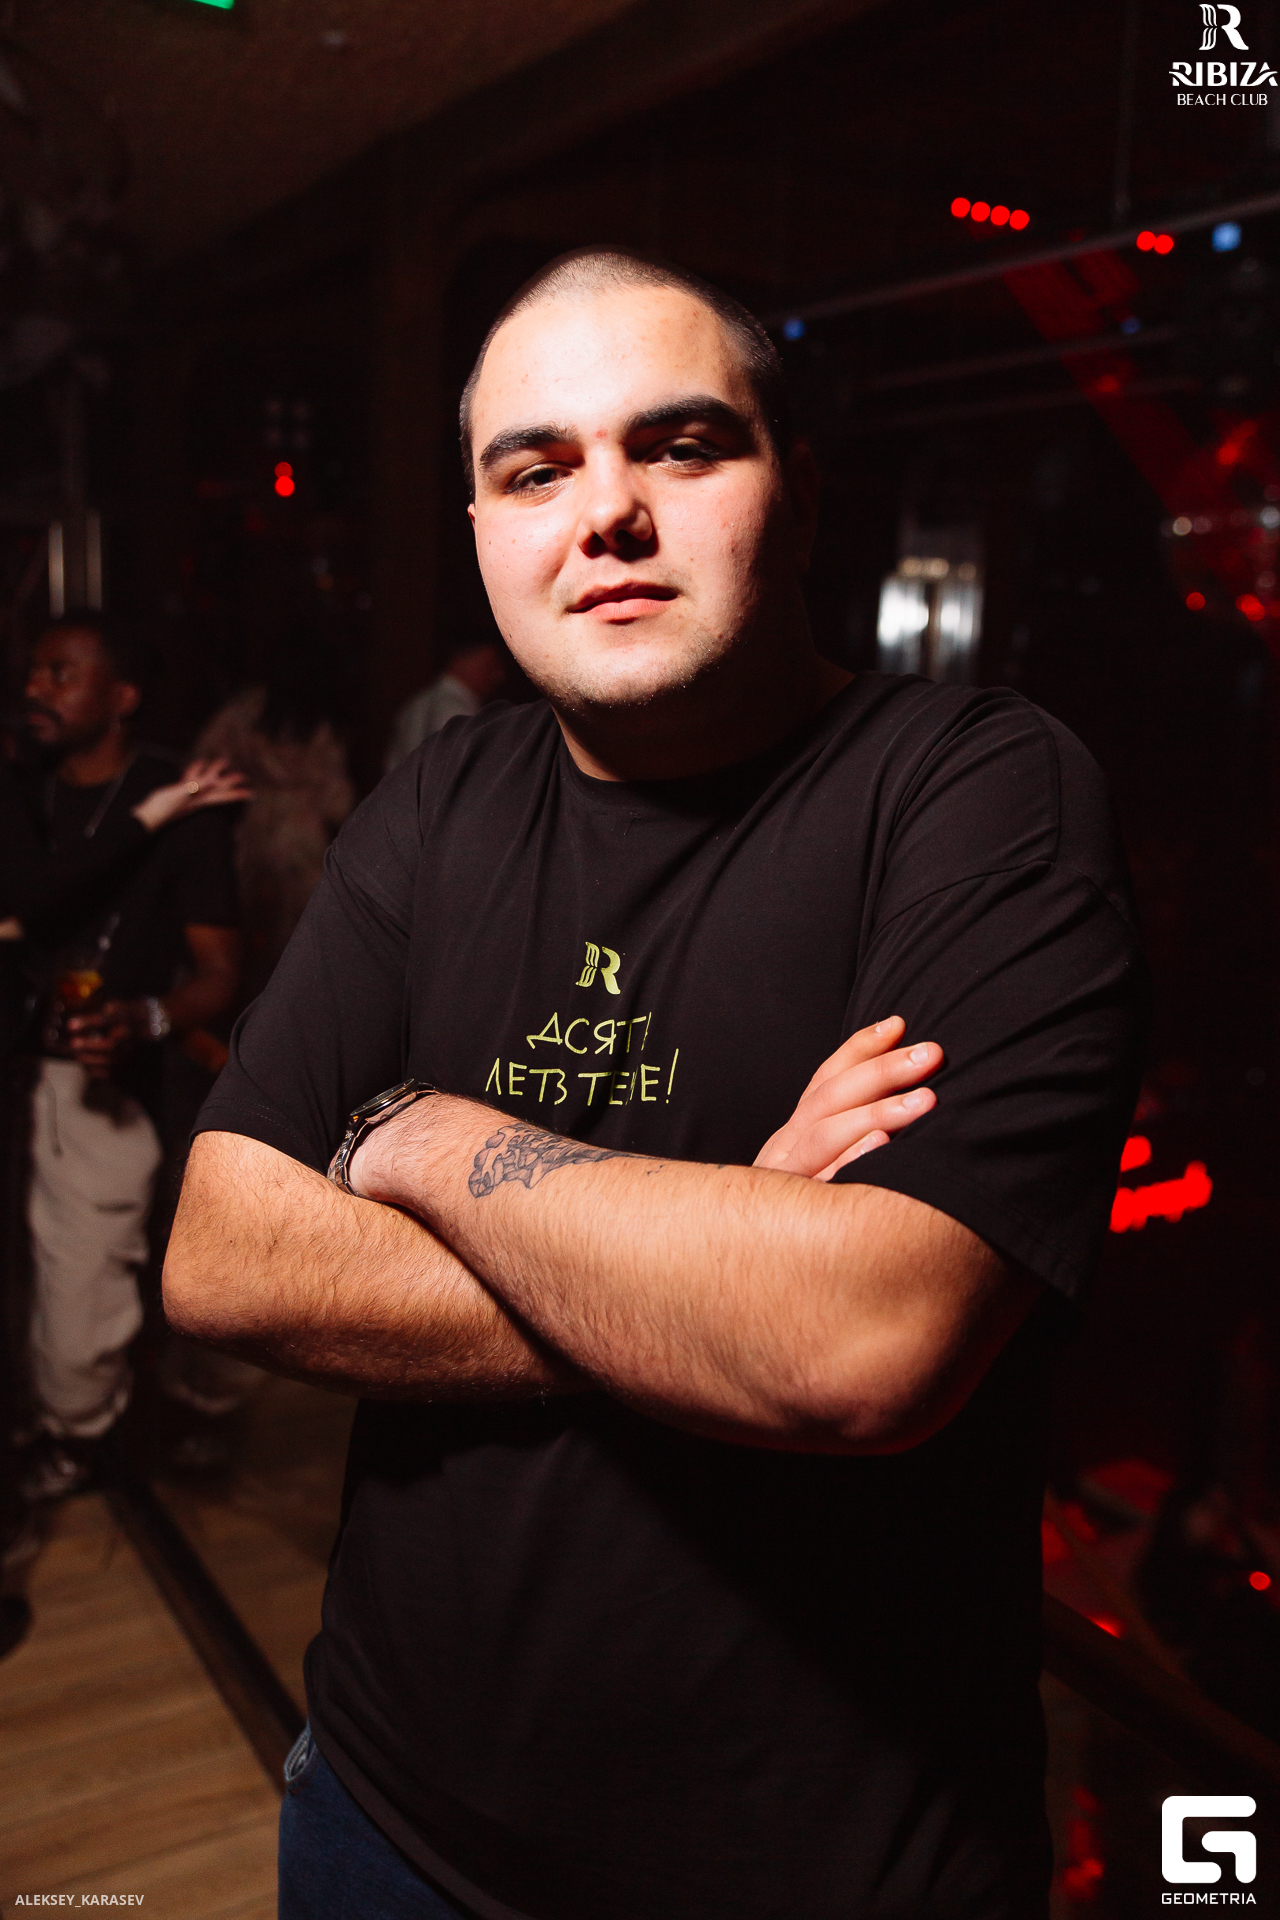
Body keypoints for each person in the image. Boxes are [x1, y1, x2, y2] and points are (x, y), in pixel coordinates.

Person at [167, 250, 1147, 1920]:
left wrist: (420, 1134)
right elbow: (221, 1255)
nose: (606, 512)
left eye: (682, 447)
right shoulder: (436, 804)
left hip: (822, 1878)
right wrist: (730, 1254)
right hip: (385, 1822)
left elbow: (859, 1342)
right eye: (535, 470)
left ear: (800, 491)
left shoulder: (978, 792)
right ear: (484, 530)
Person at [9, 613, 246, 1495]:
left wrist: (146, 1018)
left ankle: (83, 1436)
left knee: (86, 1281)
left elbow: (221, 972)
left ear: (122, 696)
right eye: (34, 671)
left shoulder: (178, 800)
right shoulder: (22, 789)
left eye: (61, 673)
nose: (35, 688)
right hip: (13, 1071)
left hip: (99, 1084)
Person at [195, 627, 356, 1002]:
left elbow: (205, 759)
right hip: (303, 834)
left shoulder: (245, 711)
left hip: (253, 827)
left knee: (250, 933)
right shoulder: (320, 719)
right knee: (300, 938)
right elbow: (337, 796)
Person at [383, 637, 507, 773]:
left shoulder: (417, 702)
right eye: (489, 666)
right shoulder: (458, 710)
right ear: (462, 661)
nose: (498, 675)